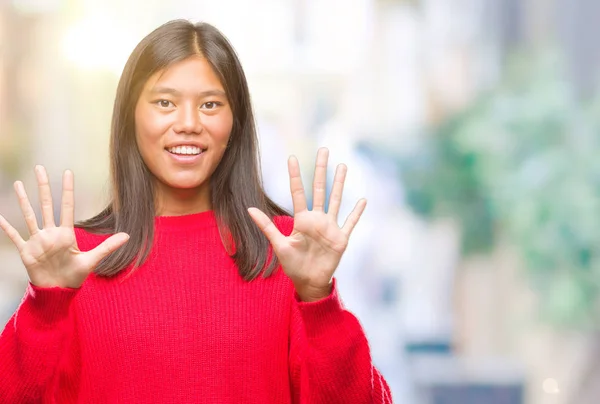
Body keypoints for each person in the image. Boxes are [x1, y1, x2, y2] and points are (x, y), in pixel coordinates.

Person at [0, 20, 392, 403]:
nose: (188, 124)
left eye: (210, 104)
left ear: (235, 122)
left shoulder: (288, 252)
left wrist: (318, 301)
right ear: (130, 118)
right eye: (165, 102)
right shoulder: (77, 260)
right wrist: (45, 304)